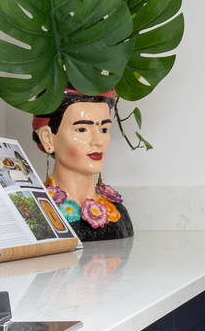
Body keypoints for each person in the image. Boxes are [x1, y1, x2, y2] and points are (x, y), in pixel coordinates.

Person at [31, 89, 134, 241]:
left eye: (103, 129)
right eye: (82, 129)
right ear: (48, 139)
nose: (98, 141)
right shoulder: (39, 215)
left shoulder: (117, 214)